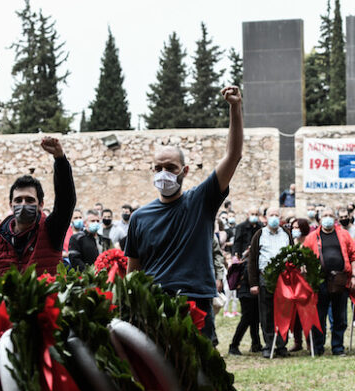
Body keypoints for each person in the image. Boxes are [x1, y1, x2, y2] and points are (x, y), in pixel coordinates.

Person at [125, 86, 243, 343]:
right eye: (158, 168)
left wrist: (235, 108)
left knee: (201, 377)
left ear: (185, 170)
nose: (164, 173)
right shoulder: (139, 218)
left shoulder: (201, 201)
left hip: (196, 301)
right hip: (155, 305)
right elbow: (132, 274)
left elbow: (233, 156)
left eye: (171, 167)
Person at [0, 137, 76, 294]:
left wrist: (60, 159)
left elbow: (66, 200)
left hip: (46, 312)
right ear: (10, 204)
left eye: (30, 200)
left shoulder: (52, 230)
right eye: (18, 200)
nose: (23, 204)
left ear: (41, 205)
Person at [304, 208, 355, 356]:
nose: (328, 218)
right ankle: (318, 347)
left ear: (335, 219)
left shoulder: (344, 235)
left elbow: (354, 256)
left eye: (330, 215)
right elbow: (304, 259)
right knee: (319, 315)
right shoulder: (311, 238)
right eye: (325, 216)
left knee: (340, 316)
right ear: (319, 220)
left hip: (340, 280)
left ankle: (338, 347)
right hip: (319, 281)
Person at [248, 207, 293, 358]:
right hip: (265, 278)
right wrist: (253, 283)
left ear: (280, 218)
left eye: (276, 215)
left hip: (284, 278)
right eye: (271, 215)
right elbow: (252, 259)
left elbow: (293, 254)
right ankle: (269, 344)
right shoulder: (259, 234)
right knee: (266, 313)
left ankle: (281, 345)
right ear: (265, 218)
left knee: (283, 312)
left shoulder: (286, 234)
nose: (274, 217)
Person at [288, 218, 311, 351]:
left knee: (306, 313)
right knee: (295, 314)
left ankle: (309, 341)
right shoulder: (291, 244)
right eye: (293, 227)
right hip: (293, 282)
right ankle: (298, 341)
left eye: (298, 227)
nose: (295, 230)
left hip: (306, 282)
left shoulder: (309, 243)